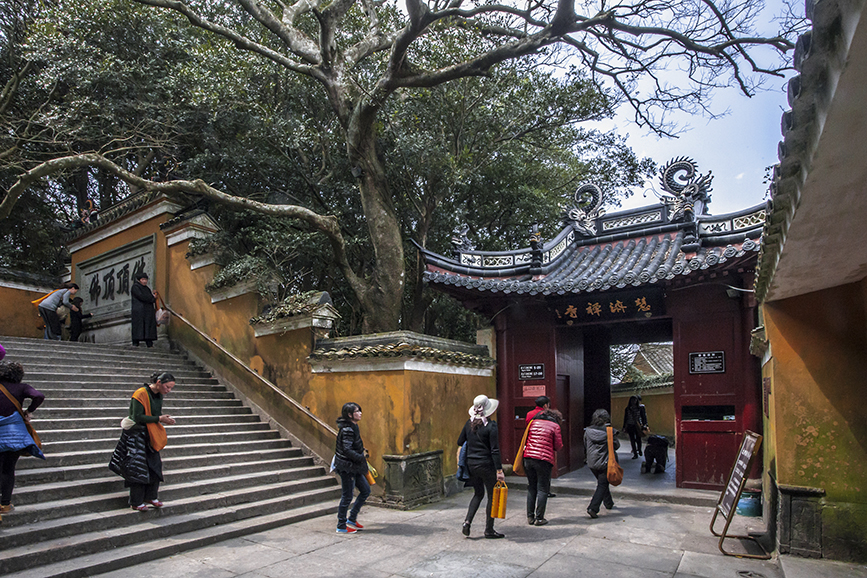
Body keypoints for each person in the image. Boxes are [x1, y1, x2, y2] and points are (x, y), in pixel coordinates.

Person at [0, 361, 45, 515]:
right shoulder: (22, 388)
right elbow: (38, 396)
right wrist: (29, 410)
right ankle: (5, 504)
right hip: (14, 434)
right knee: (8, 469)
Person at [457, 394, 505, 539]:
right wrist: (499, 470)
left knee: (478, 494)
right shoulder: (491, 426)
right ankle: (489, 530)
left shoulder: (468, 424)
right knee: (492, 496)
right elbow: (495, 450)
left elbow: (460, 441)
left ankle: (467, 522)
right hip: (486, 465)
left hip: (471, 464)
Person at [126, 372, 175, 511]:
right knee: (139, 468)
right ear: (158, 382)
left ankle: (151, 496)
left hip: (151, 434)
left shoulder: (159, 395)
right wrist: (159, 419)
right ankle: (136, 501)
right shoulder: (141, 393)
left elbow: (155, 414)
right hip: (138, 435)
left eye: (171, 388)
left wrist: (163, 419)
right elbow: (137, 416)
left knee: (155, 466)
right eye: (167, 387)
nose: (168, 390)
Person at [333, 402, 370, 534]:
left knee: (365, 490)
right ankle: (341, 525)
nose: (360, 413)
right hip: (347, 467)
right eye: (357, 411)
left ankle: (352, 518)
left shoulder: (353, 426)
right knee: (347, 496)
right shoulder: (347, 430)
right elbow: (347, 449)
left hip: (355, 466)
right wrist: (361, 457)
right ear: (350, 415)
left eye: (360, 410)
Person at [522, 408, 563, 526]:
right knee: (543, 489)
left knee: (532, 487)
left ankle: (530, 516)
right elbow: (558, 446)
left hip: (528, 458)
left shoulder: (533, 423)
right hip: (543, 460)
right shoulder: (555, 426)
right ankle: (539, 518)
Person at [584, 408, 619, 519]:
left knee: (603, 482)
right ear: (606, 419)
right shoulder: (610, 431)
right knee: (602, 484)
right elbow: (616, 446)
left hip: (592, 462)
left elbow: (585, 444)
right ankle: (593, 508)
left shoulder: (588, 431)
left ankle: (609, 503)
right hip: (605, 462)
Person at [131, 273, 158, 347]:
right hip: (139, 311)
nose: (145, 281)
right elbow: (142, 296)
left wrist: (153, 297)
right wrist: (152, 297)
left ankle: (149, 342)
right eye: (143, 279)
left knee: (148, 327)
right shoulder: (135, 287)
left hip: (147, 311)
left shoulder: (147, 289)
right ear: (139, 280)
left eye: (146, 279)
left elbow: (149, 298)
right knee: (138, 327)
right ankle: (136, 342)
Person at [622, 395, 648, 459]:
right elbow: (626, 418)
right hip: (630, 425)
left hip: (638, 425)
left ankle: (639, 449)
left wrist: (645, 424)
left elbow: (643, 416)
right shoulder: (628, 409)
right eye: (632, 400)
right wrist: (624, 426)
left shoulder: (640, 408)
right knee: (632, 439)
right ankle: (635, 453)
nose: (633, 401)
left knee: (638, 438)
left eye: (635, 400)